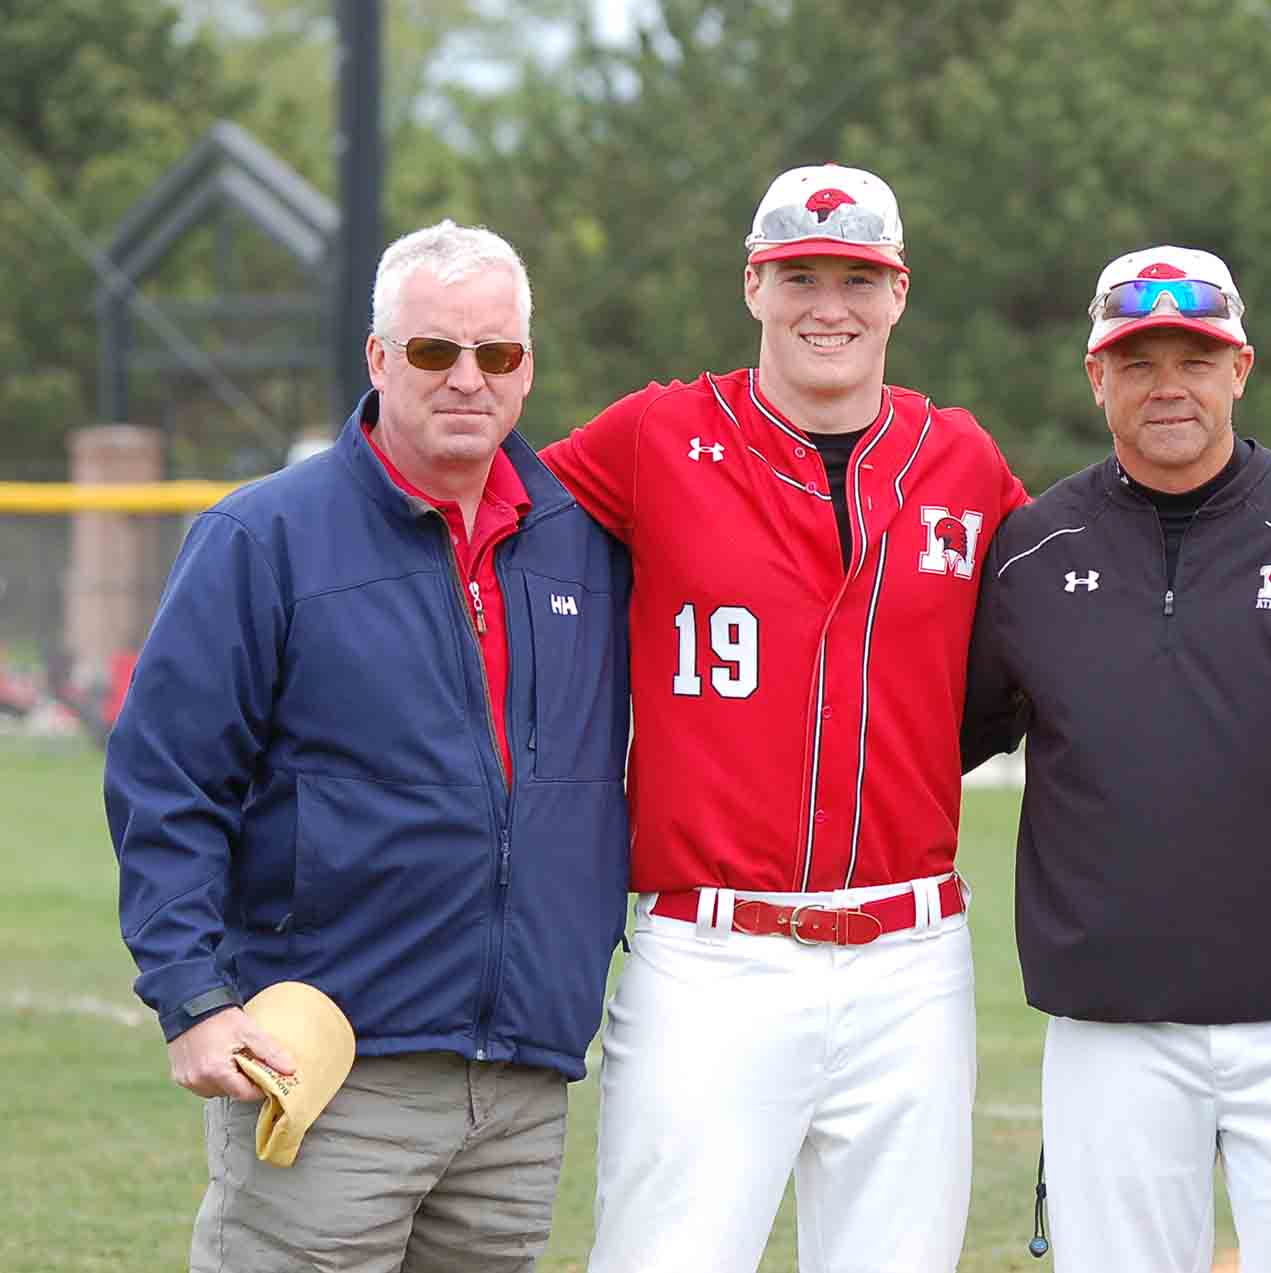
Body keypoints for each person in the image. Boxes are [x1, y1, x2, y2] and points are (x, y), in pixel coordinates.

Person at [105, 220, 633, 1272]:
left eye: (498, 353)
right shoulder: (266, 535)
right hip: (334, 1065)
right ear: (379, 357)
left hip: (522, 1080)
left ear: (529, 367)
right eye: (435, 351)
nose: (468, 379)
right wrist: (193, 998)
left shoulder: (589, 538)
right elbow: (167, 781)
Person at [539, 163, 1028, 1272]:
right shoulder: (653, 436)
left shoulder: (962, 458)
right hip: (711, 952)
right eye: (799, 274)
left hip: (913, 957)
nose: (829, 305)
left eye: (858, 277)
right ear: (753, 285)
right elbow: (492, 519)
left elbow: (1055, 639)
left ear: (899, 294)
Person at [962, 245, 1271, 1273]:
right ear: (1096, 376)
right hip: (1112, 1027)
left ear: (1241, 368)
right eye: (1137, 361)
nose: (1168, 386)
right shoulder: (1028, 551)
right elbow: (940, 742)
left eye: (1194, 358)